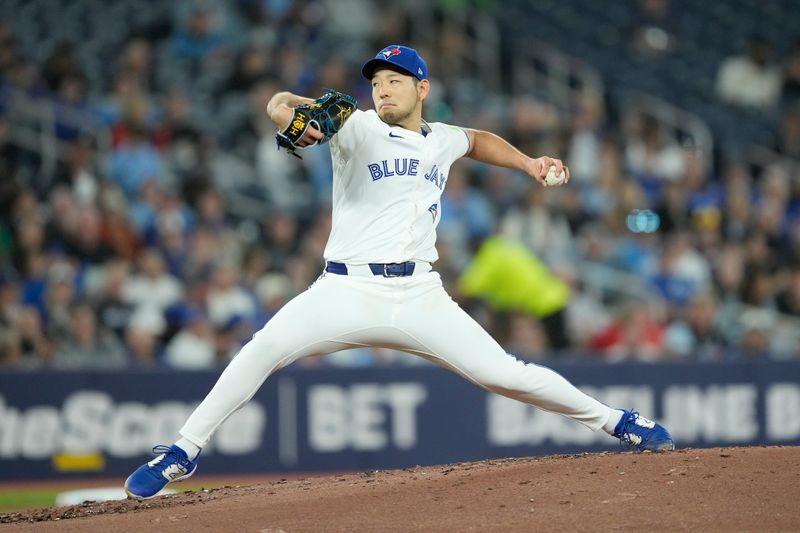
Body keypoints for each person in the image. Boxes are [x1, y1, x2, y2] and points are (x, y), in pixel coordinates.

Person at [124, 45, 674, 500]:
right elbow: (280, 103)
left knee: (506, 374)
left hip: (418, 293)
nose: (382, 89)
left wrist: (529, 163)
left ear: (422, 89)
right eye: (377, 82)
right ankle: (182, 451)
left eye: (394, 80)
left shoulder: (440, 139)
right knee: (262, 347)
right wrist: (290, 113)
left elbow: (477, 140)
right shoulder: (355, 127)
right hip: (346, 287)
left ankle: (616, 421)